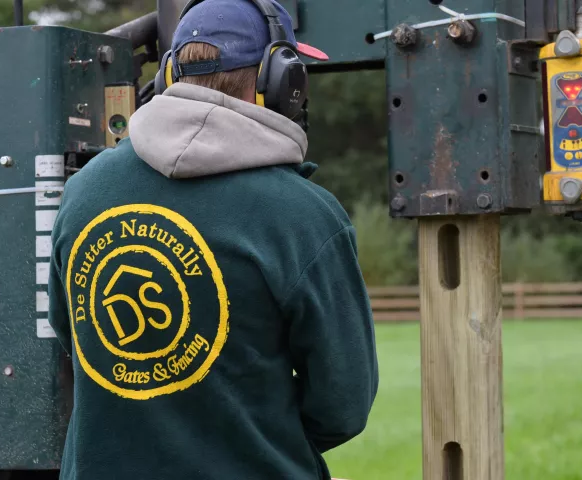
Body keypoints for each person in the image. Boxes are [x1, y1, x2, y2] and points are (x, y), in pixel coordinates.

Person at [45, 0, 379, 478]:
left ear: (167, 79)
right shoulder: (306, 216)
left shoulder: (82, 192)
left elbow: (70, 335)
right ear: (282, 80)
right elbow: (342, 405)